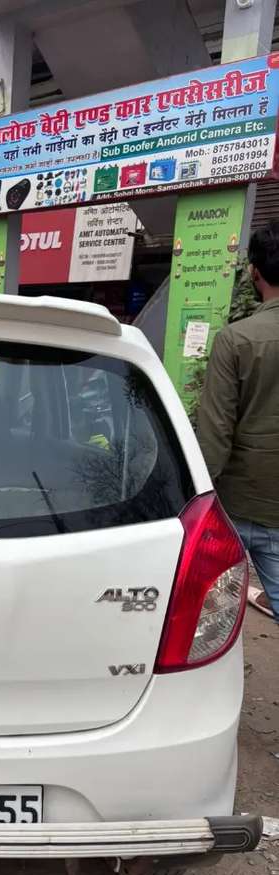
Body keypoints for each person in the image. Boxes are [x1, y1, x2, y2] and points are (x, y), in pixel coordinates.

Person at [197, 220, 279, 620]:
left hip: (235, 504)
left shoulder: (236, 339)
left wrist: (195, 498)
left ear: (254, 272)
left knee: (207, 615)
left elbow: (215, 433)